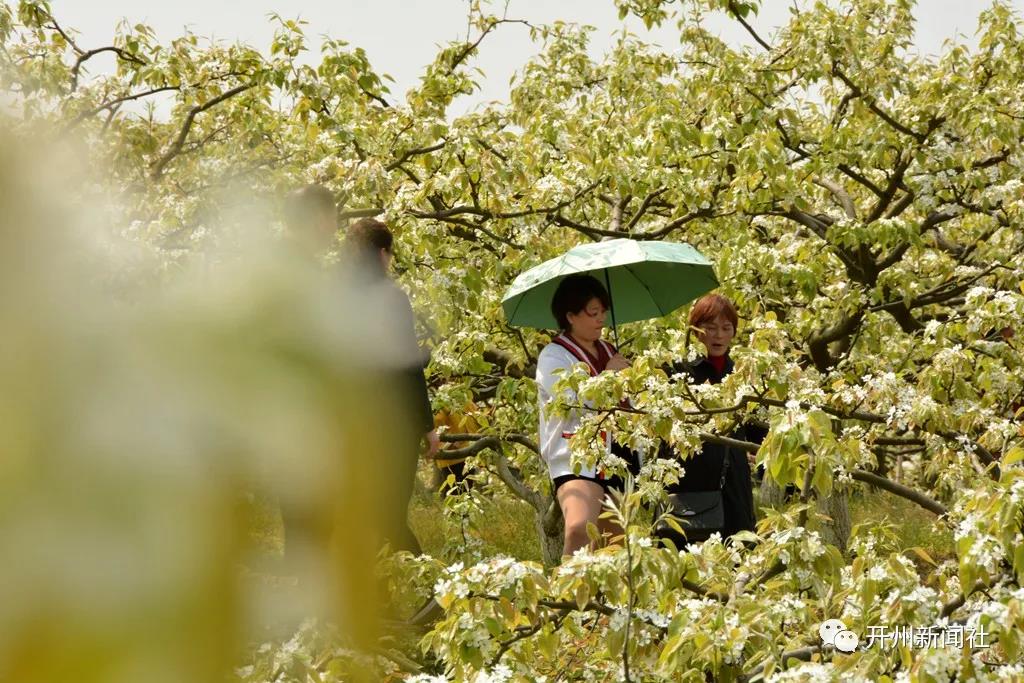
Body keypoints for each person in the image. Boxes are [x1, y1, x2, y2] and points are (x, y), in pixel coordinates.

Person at [343, 217, 440, 554]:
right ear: (382, 253)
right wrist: (427, 426)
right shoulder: (391, 298)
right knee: (389, 516)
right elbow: (406, 367)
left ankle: (381, 597)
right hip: (392, 423)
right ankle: (429, 591)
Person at [536, 274, 639, 557]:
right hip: (576, 456)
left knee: (613, 548)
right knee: (581, 529)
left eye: (603, 312)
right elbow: (569, 402)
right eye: (593, 313)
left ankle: (604, 601)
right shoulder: (553, 356)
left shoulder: (609, 350)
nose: (600, 319)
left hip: (618, 456)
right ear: (570, 315)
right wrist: (608, 376)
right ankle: (567, 597)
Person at [659, 293, 760, 547]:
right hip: (688, 476)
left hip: (732, 478)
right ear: (696, 331)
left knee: (737, 551)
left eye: (726, 328)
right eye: (711, 328)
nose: (718, 335)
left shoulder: (740, 373)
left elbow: (755, 425)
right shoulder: (678, 371)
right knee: (682, 555)